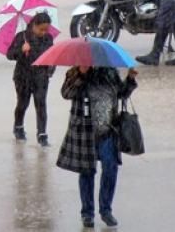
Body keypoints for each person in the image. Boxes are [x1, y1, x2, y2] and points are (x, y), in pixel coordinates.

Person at [56, 66, 137, 228]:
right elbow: (66, 93)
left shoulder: (110, 72)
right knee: (87, 171)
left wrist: (130, 80)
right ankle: (87, 213)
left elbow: (121, 94)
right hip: (85, 132)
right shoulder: (74, 73)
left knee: (110, 168)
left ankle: (106, 210)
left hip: (108, 129)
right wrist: (81, 74)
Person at [6, 12, 55, 147]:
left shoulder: (48, 39)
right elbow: (9, 55)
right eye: (41, 29)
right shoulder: (21, 37)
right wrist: (21, 50)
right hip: (23, 77)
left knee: (41, 105)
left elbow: (53, 56)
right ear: (34, 25)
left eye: (46, 29)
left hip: (41, 77)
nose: (44, 32)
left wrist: (51, 70)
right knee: (23, 103)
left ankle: (42, 135)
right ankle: (18, 127)